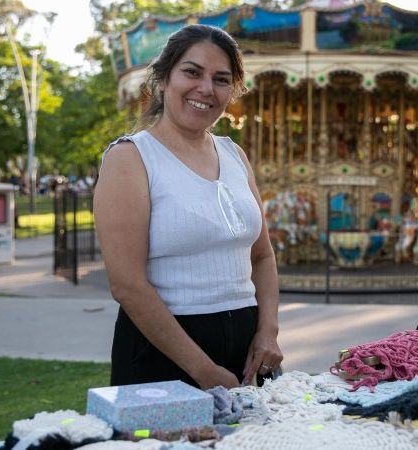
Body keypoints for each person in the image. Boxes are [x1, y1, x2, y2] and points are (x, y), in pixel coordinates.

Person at [93, 24, 283, 390]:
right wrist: (203, 371)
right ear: (163, 79)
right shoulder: (130, 159)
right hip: (163, 355)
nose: (206, 89)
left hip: (245, 352)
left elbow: (263, 256)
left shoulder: (234, 154)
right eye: (192, 72)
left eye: (221, 79)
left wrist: (268, 332)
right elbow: (128, 285)